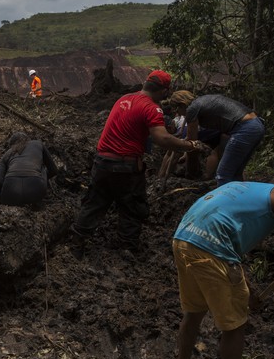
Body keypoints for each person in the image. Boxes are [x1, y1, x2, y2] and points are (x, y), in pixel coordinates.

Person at [171, 173, 274, 359]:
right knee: (234, 327)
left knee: (194, 312)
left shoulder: (243, 189)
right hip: (212, 247)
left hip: (184, 239)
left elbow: (230, 256)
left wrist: (248, 292)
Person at [70, 70, 205, 252]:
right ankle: (127, 249)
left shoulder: (124, 99)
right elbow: (162, 139)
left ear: (145, 84)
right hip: (125, 165)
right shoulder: (151, 107)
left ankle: (77, 240)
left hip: (102, 162)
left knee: (95, 202)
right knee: (132, 206)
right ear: (164, 91)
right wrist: (190, 145)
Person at [170, 91, 265, 187]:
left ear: (182, 104)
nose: (176, 112)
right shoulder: (203, 100)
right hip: (256, 124)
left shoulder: (191, 109)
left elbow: (192, 140)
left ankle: (224, 201)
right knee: (235, 173)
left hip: (244, 128)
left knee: (223, 175)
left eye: (176, 108)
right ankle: (241, 199)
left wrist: (180, 147)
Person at [0, 132, 58, 207]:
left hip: (10, 194)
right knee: (42, 167)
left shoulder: (6, 155)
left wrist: (1, 201)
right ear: (27, 139)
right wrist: (42, 178)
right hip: (35, 191)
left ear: (12, 145)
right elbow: (54, 170)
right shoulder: (38, 144)